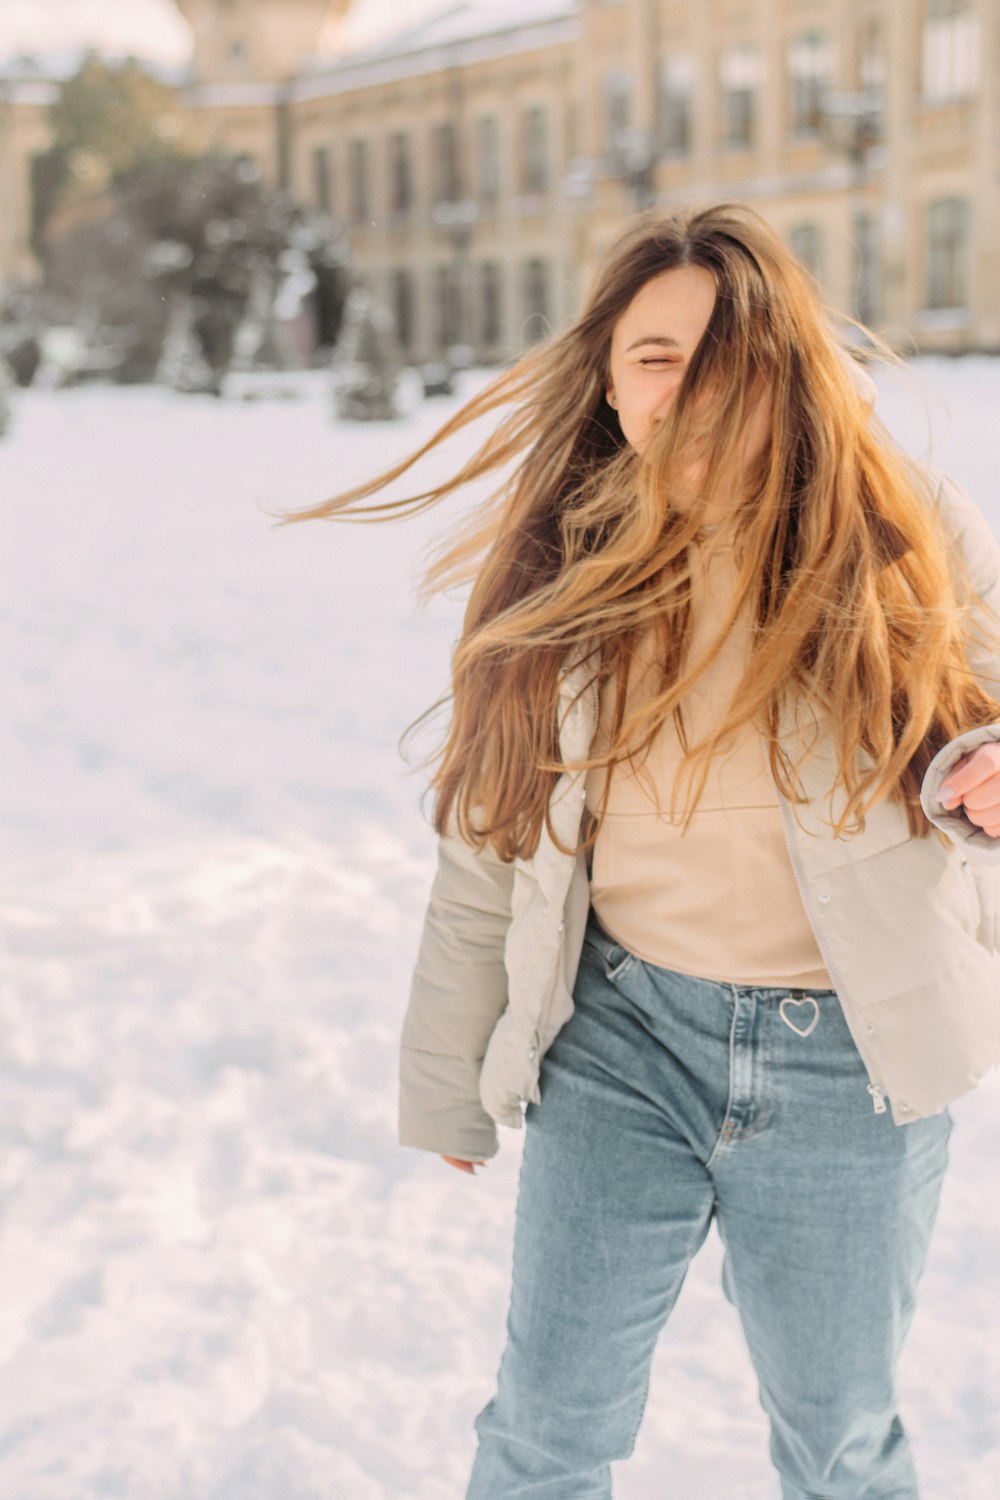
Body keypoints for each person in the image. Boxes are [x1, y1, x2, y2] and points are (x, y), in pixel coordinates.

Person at [276, 203, 1000, 1498]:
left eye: (732, 351)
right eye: (658, 355)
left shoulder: (898, 526)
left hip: (851, 1056)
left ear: (788, 367)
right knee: (547, 1425)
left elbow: (986, 702)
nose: (696, 384)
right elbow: (488, 842)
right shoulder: (563, 568)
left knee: (839, 1435)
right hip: (622, 1039)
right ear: (611, 381)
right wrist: (448, 1071)